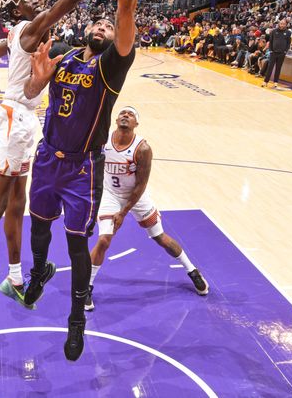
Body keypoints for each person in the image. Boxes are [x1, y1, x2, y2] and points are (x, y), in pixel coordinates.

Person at [0, 0, 128, 329]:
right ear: (17, 8)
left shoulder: (21, 35)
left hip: (25, 121)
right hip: (16, 119)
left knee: (17, 205)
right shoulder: (29, 29)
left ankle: (15, 278)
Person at [20, 0, 148, 363]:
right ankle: (37, 273)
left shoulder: (112, 66)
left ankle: (75, 319)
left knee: (76, 247)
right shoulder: (67, 55)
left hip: (82, 170)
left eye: (108, 26)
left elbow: (126, 8)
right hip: (46, 160)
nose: (102, 25)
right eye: (97, 23)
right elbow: (34, 94)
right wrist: (36, 79)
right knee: (38, 231)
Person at [86, 107, 209, 311]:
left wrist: (123, 213)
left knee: (160, 237)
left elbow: (141, 185)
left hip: (137, 197)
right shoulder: (103, 139)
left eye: (131, 114)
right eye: (123, 113)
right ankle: (86, 288)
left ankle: (192, 271)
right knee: (104, 239)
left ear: (136, 124)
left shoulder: (142, 149)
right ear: (116, 119)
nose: (126, 115)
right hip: (110, 195)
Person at [262, 19, 292, 88]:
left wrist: (285, 51)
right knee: (270, 67)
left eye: (283, 24)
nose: (282, 25)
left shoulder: (288, 33)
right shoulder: (274, 31)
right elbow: (270, 41)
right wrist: (271, 50)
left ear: (286, 25)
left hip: (282, 53)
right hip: (273, 52)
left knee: (278, 68)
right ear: (279, 24)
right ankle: (265, 81)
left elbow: (288, 43)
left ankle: (275, 82)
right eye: (281, 23)